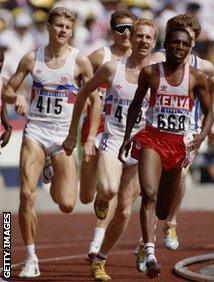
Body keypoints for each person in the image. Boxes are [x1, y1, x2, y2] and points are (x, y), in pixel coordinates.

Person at [2, 7, 99, 278]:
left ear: (72, 31)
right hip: (36, 132)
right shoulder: (33, 58)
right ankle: (31, 257)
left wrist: (89, 137)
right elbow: (8, 89)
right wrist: (16, 98)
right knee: (25, 194)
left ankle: (51, 171)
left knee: (67, 204)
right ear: (48, 27)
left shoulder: (79, 62)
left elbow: (94, 100)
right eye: (58, 26)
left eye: (67, 27)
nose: (63, 31)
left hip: (63, 137)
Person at [63, 18, 158, 281]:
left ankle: (100, 258)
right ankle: (101, 199)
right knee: (107, 190)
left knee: (126, 210)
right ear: (132, 39)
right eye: (138, 36)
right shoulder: (110, 68)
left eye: (148, 37)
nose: (142, 41)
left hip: (141, 143)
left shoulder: (159, 72)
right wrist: (75, 133)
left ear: (153, 40)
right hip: (113, 137)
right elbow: (83, 93)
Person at [119, 27, 214, 279]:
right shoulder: (150, 73)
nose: (179, 48)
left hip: (178, 145)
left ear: (189, 47)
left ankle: (144, 242)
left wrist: (201, 137)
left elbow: (210, 113)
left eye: (184, 44)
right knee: (148, 193)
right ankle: (150, 253)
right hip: (152, 139)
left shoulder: (196, 77)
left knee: (161, 211)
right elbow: (136, 105)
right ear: (166, 45)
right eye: (174, 43)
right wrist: (128, 135)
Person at [150, 14, 214, 251]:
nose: (180, 43)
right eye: (176, 36)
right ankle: (148, 231)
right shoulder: (159, 59)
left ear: (194, 39)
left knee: (180, 172)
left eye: (187, 37)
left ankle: (171, 222)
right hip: (155, 128)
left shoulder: (205, 67)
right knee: (154, 181)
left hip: (187, 129)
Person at [80, 10, 137, 260]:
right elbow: (76, 79)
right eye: (121, 28)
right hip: (96, 123)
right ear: (112, 31)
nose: (127, 34)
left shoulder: (142, 60)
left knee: (115, 190)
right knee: (86, 195)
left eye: (131, 29)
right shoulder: (100, 55)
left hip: (123, 129)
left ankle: (97, 241)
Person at [0, 47, 12, 151]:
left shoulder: (4, 84)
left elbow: (2, 109)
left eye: (1, 61)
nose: (0, 64)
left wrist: (8, 128)